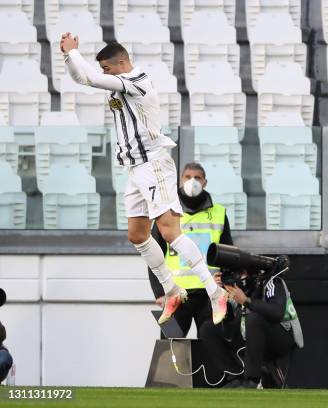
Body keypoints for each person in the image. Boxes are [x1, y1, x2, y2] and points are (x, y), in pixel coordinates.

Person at [60, 35, 227, 325]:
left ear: (122, 63)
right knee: (137, 235)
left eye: (107, 69)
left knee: (170, 232)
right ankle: (172, 288)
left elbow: (88, 77)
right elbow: (83, 78)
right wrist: (68, 56)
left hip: (154, 164)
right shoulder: (119, 79)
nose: (104, 75)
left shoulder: (137, 81)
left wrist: (75, 52)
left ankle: (214, 292)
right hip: (135, 169)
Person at [149, 163, 233, 336]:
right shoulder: (166, 213)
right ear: (181, 180)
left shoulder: (219, 213)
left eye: (197, 178)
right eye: (187, 177)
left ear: (205, 182)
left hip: (210, 295)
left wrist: (226, 283)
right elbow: (153, 256)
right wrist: (159, 291)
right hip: (175, 295)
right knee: (170, 346)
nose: (192, 181)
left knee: (213, 344)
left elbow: (228, 256)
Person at [200, 261, 303, 389]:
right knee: (209, 328)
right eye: (232, 274)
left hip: (283, 336)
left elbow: (277, 312)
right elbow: (222, 318)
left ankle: (252, 380)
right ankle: (235, 376)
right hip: (251, 336)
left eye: (239, 274)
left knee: (254, 318)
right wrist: (216, 292)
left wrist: (246, 301)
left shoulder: (270, 281)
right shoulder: (233, 287)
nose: (235, 278)